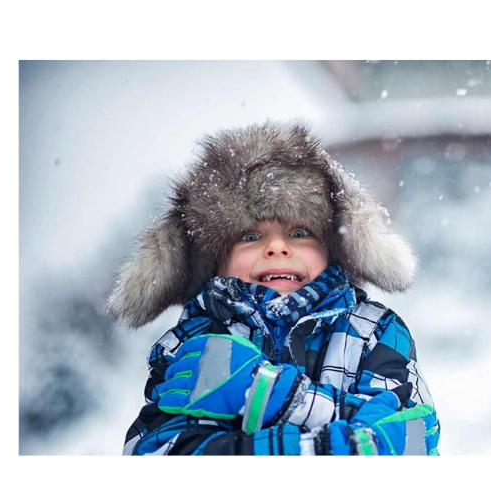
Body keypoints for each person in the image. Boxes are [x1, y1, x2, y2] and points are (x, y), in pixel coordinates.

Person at [109, 120, 439, 456]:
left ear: (333, 248)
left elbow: (411, 438)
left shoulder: (374, 331)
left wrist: (267, 393)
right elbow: (158, 449)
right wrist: (342, 444)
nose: (277, 248)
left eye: (300, 233)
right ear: (215, 260)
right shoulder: (194, 342)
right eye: (250, 237)